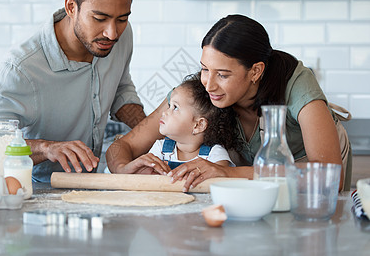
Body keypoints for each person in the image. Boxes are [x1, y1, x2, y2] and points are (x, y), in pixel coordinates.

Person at [106, 14, 350, 191]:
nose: (209, 85)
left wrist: (229, 172)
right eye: (204, 69)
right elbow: (125, 145)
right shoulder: (199, 92)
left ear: (255, 71)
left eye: (223, 75)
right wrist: (122, 168)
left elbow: (328, 175)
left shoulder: (297, 83)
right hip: (252, 173)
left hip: (306, 166)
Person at [0, 0, 146, 183]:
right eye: (99, 18)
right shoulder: (21, 69)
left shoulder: (120, 36)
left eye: (121, 19)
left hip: (90, 187)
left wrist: (153, 133)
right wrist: (46, 148)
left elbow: (119, 89)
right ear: (71, 7)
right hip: (36, 194)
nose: (112, 33)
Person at [144, 74, 236, 173]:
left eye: (175, 107)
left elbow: (222, 176)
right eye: (169, 105)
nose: (164, 112)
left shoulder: (215, 154)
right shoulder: (159, 148)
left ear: (198, 125)